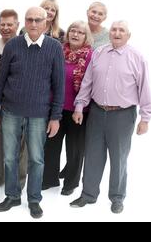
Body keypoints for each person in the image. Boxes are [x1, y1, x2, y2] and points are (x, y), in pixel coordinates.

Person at [0, 7, 65, 219]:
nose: (33, 24)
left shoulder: (54, 48)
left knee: (37, 159)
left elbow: (59, 86)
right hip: (11, 112)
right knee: (10, 157)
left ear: (45, 23)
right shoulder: (13, 45)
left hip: (39, 114)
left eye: (37, 20)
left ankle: (34, 199)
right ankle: (12, 196)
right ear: (25, 21)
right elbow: (0, 81)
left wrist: (56, 117)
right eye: (29, 19)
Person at [70, 21, 151, 214]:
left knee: (119, 158)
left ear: (128, 35)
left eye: (121, 30)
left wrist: (145, 118)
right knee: (92, 155)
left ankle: (117, 197)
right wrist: (79, 106)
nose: (116, 32)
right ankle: (88, 194)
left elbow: (145, 89)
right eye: (114, 29)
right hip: (97, 112)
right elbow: (87, 82)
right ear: (110, 33)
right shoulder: (99, 53)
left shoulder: (137, 57)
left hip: (122, 115)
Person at [42, 21, 94, 195]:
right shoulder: (58, 50)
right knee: (51, 146)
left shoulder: (90, 56)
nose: (75, 34)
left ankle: (71, 183)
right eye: (73, 30)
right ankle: (49, 179)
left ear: (86, 37)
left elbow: (91, 84)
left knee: (75, 149)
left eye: (80, 32)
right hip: (55, 108)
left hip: (79, 111)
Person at [0, 9, 28, 191]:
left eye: (10, 24)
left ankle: (18, 179)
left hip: (17, 106)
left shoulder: (26, 45)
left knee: (19, 144)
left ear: (17, 25)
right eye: (2, 24)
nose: (6, 28)